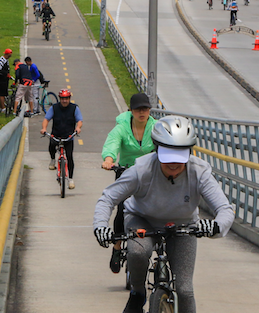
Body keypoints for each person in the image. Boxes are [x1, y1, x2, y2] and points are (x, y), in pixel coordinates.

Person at [93, 116, 235, 313]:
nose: (174, 164)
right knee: (138, 251)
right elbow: (108, 197)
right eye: (168, 156)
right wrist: (100, 226)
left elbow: (224, 209)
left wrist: (216, 226)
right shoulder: (141, 170)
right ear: (157, 150)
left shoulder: (199, 172)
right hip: (142, 219)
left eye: (180, 156)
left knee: (185, 290)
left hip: (183, 225)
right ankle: (137, 293)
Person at [100, 93, 156, 273]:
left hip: (149, 175)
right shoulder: (122, 127)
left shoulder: (155, 127)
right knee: (122, 210)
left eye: (145, 108)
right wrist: (109, 159)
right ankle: (117, 248)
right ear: (131, 110)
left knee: (157, 209)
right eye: (138, 109)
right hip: (126, 173)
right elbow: (112, 144)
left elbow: (164, 145)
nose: (142, 112)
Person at [40, 88, 83, 189]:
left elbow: (79, 120)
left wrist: (78, 128)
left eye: (66, 98)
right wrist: (44, 128)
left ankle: (71, 179)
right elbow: (46, 119)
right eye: (63, 98)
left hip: (68, 137)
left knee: (69, 157)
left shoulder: (74, 108)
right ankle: (52, 160)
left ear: (69, 98)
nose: (64, 101)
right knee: (51, 146)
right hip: (56, 135)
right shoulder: (54, 108)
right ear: (59, 98)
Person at [0, 48, 13, 113]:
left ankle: (2, 106)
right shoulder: (2, 60)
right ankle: (2, 107)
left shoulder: (6, 60)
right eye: (9, 55)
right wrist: (5, 74)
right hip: (2, 80)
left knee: (4, 93)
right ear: (7, 54)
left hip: (5, 80)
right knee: (2, 94)